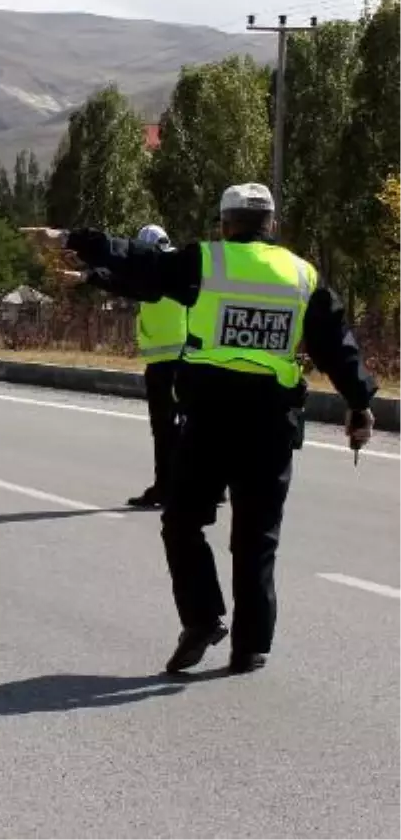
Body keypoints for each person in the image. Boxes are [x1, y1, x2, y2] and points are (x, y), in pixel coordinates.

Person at [23, 183, 378, 675]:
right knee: (257, 538)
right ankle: (250, 648)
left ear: (225, 223)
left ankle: (202, 618)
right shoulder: (302, 275)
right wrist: (359, 405)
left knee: (183, 521)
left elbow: (139, 259)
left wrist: (68, 237)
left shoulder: (206, 263)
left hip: (210, 415)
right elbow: (338, 347)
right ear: (271, 224)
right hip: (271, 422)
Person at [129, 223, 186, 508]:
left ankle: (165, 488)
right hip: (190, 360)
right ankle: (212, 487)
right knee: (194, 426)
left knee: (164, 430)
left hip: (164, 365)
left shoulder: (150, 274)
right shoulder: (184, 268)